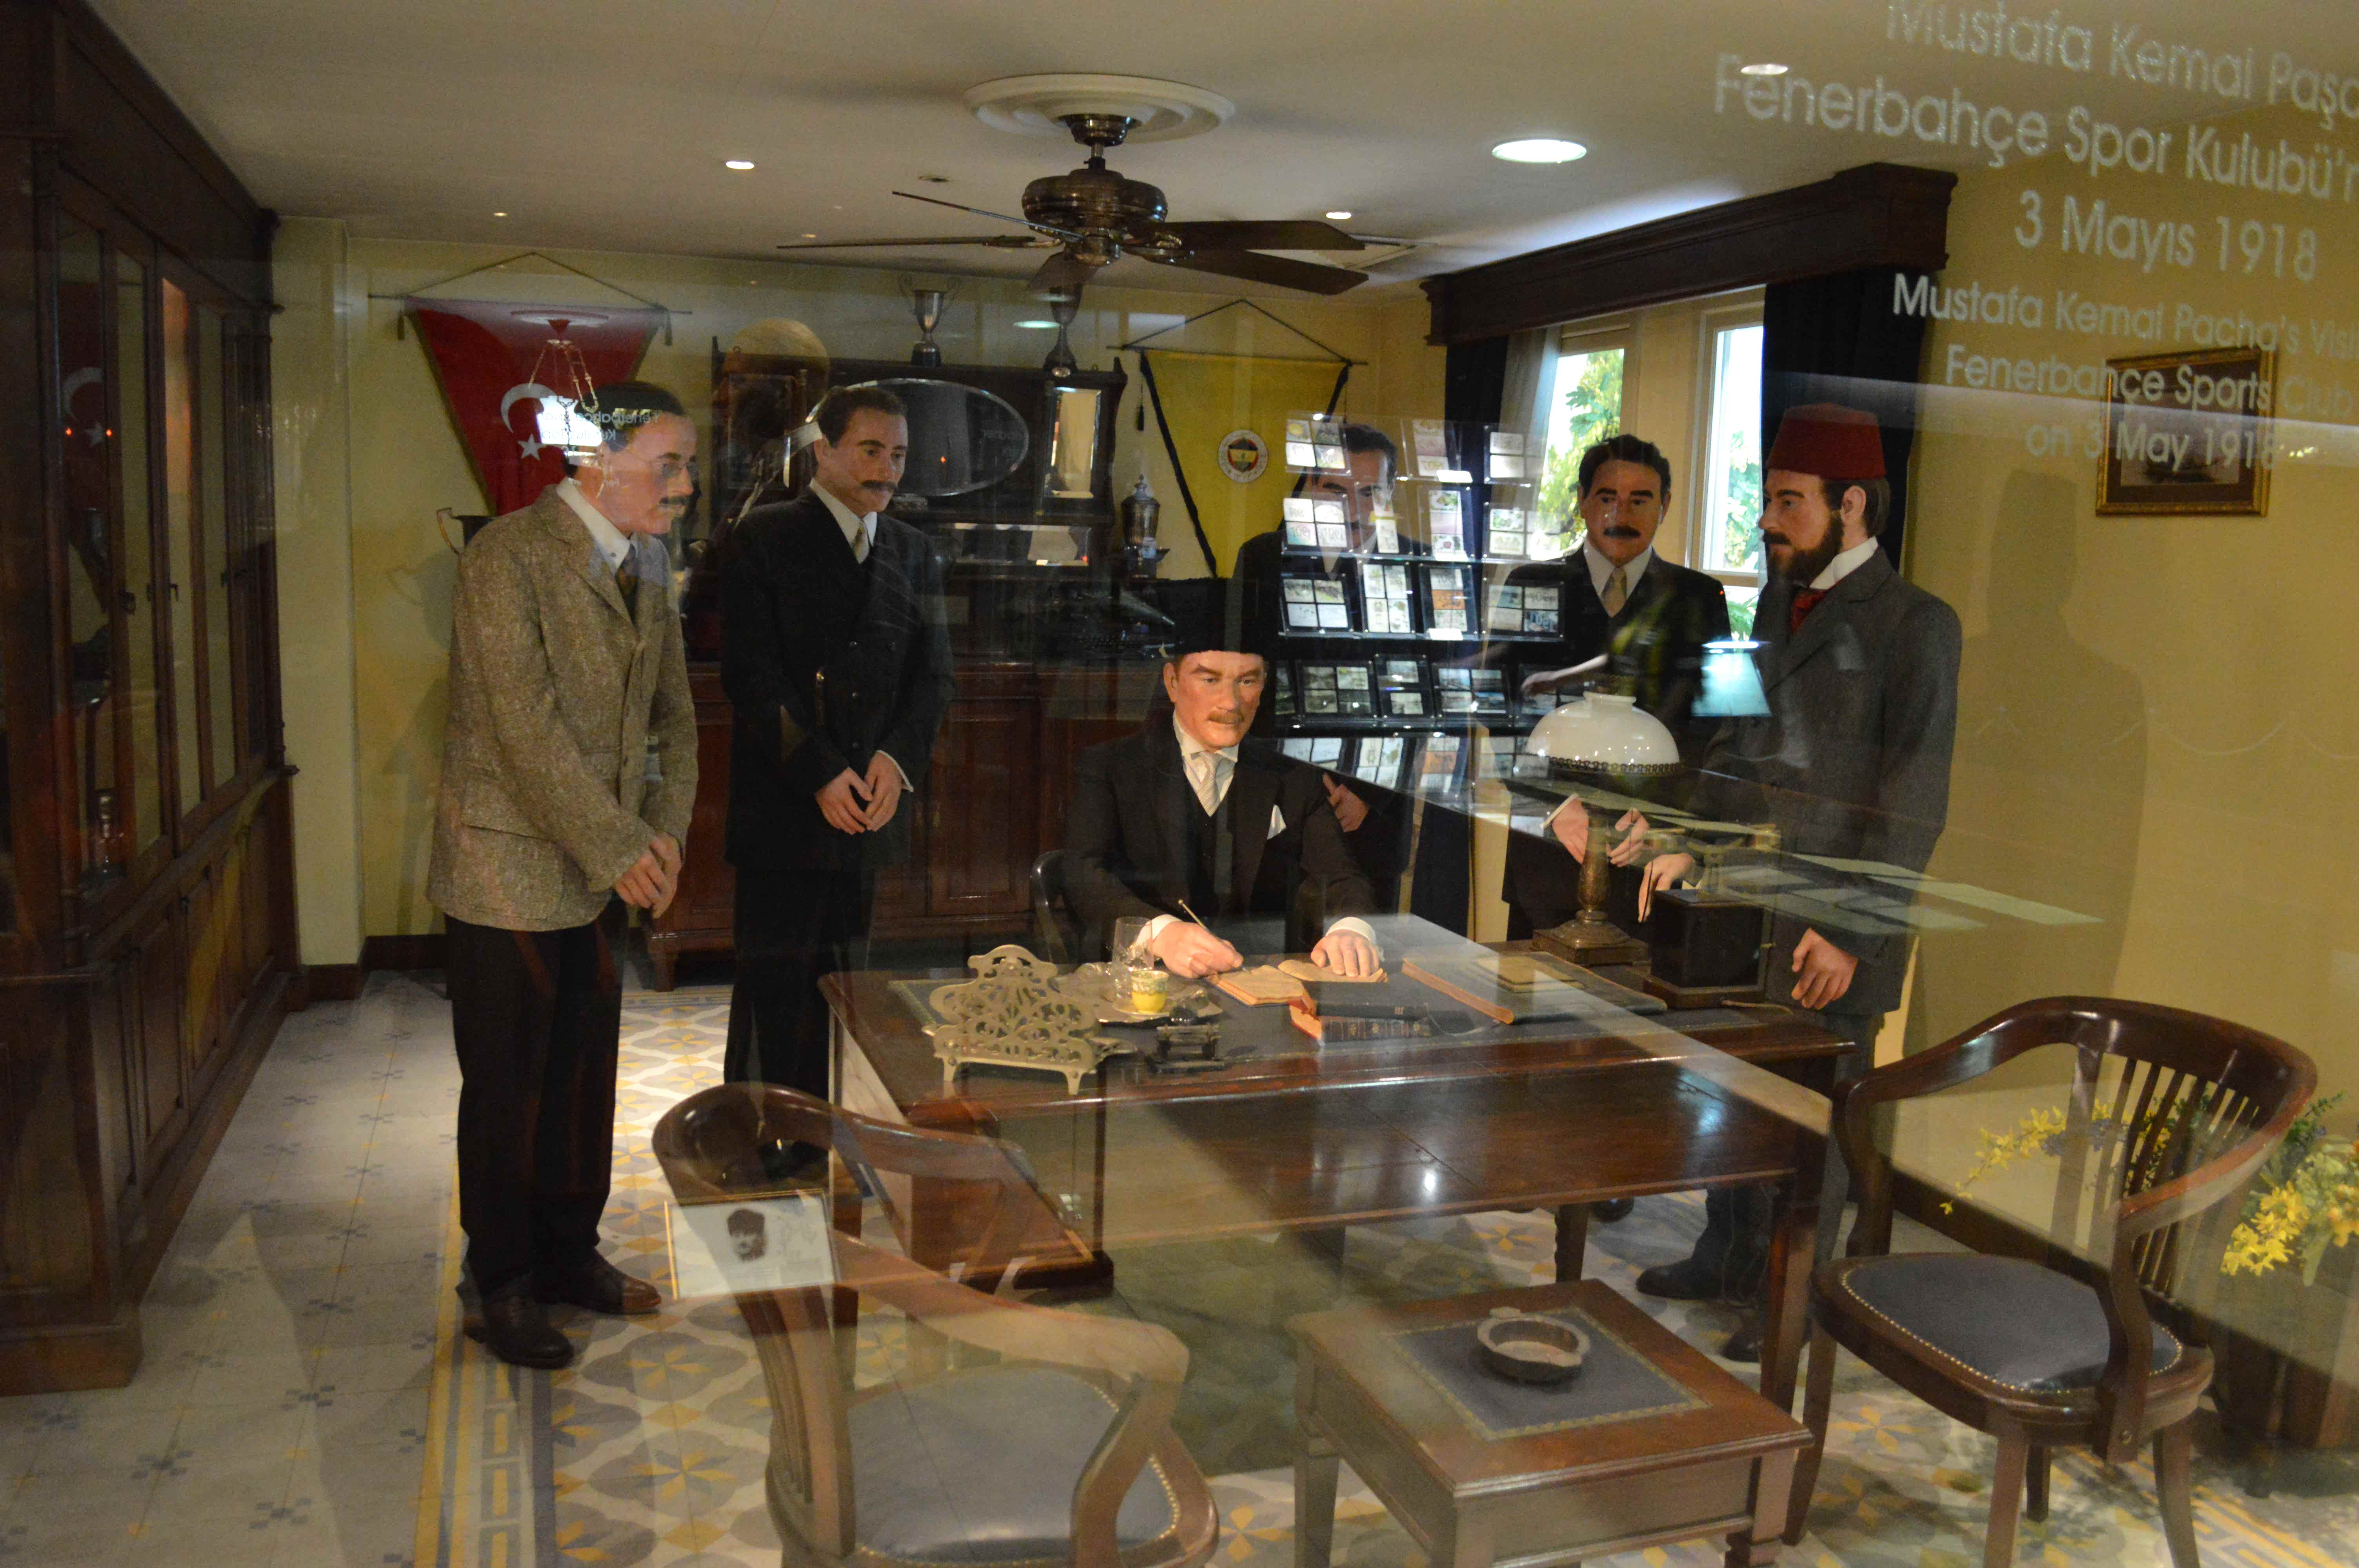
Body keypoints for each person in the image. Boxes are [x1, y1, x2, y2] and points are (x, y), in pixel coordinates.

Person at [1563, 403, 1960, 1359]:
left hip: (1830, 930)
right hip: (1746, 909)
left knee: (1810, 1121)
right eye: (1768, 500)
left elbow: (1912, 799)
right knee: (1737, 1095)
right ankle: (1726, 1253)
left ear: (1851, 504)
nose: (1767, 519)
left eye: (1787, 501)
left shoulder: (1917, 625)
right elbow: (1735, 749)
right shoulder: (1776, 605)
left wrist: (1851, 931)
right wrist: (1684, 838)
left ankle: (1795, 1294)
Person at [425, 380, 699, 1369]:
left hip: (604, 870)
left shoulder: (649, 560)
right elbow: (523, 730)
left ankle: (568, 1254)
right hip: (506, 870)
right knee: (509, 1088)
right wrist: (623, 848)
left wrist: (664, 835)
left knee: (585, 1078)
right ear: (597, 460)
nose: (685, 485)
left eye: (688, 465)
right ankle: (499, 1284)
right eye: (668, 464)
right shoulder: (507, 557)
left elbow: (673, 717)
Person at [717, 386, 955, 1130]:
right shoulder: (762, 538)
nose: (889, 470)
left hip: (871, 812)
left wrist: (896, 763)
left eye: (900, 455)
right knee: (775, 987)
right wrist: (820, 772)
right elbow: (751, 677)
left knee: (852, 987)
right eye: (871, 450)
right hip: (785, 809)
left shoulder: (914, 552)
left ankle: (833, 1134)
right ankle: (762, 1136)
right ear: (824, 450)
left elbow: (934, 678)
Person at [1504, 434, 1730, 939]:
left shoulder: (1700, 597)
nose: (1621, 514)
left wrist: (1669, 824)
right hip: (1545, 857)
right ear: (1583, 501)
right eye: (1607, 497)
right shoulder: (1530, 584)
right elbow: (1499, 711)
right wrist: (1551, 804)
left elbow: (1716, 727)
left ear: (1665, 506)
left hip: (1649, 863)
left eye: (1640, 500)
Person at [1065, 633, 1383, 978]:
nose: (1231, 703)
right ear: (1172, 683)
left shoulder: (1293, 774)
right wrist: (1162, 935)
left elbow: (1342, 875)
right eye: (1210, 680)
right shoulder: (1110, 767)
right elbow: (1083, 874)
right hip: (1140, 980)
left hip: (1255, 981)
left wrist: (1351, 929)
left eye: (1247, 681)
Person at [1227, 422, 1410, 894]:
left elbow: (1425, 702)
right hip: (1273, 808)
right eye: (1335, 490)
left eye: (1369, 492)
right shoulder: (1263, 557)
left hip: (1370, 816)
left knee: (1364, 936)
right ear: (1310, 485)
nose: (1353, 509)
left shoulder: (1419, 567)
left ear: (1390, 493)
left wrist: (1369, 798)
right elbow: (1242, 686)